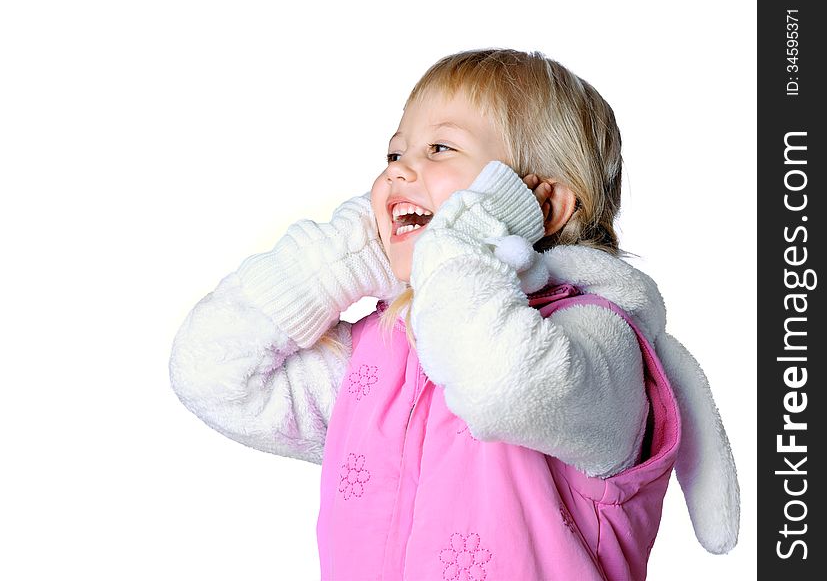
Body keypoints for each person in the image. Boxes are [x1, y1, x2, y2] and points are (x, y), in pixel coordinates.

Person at [169, 48, 739, 580]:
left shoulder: (597, 341)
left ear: (543, 205)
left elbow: (500, 387)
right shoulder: (387, 349)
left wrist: (463, 240)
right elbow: (214, 373)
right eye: (394, 153)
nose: (396, 171)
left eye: (439, 149)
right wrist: (349, 255)